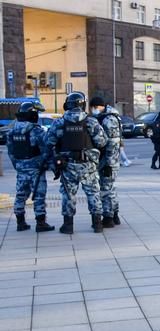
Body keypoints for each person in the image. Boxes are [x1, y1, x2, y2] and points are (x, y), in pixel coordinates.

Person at [44, 91, 108, 234]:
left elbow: (48, 142)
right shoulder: (91, 121)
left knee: (68, 194)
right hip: (88, 166)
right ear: (83, 104)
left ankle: (68, 225)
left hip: (67, 165)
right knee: (93, 193)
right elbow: (102, 141)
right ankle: (97, 224)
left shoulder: (59, 123)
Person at [7, 101, 54, 232]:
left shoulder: (12, 131)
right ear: (32, 115)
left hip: (21, 168)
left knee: (20, 194)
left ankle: (20, 222)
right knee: (39, 195)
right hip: (36, 169)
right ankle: (40, 222)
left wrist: (18, 165)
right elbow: (46, 150)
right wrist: (50, 165)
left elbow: (11, 152)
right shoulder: (36, 131)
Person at [89, 96, 123, 227]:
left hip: (108, 160)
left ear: (97, 106)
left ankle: (108, 218)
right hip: (109, 159)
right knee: (110, 188)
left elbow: (112, 144)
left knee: (106, 188)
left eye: (93, 108)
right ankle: (114, 215)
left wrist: (108, 163)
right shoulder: (109, 117)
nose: (92, 111)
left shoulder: (108, 119)